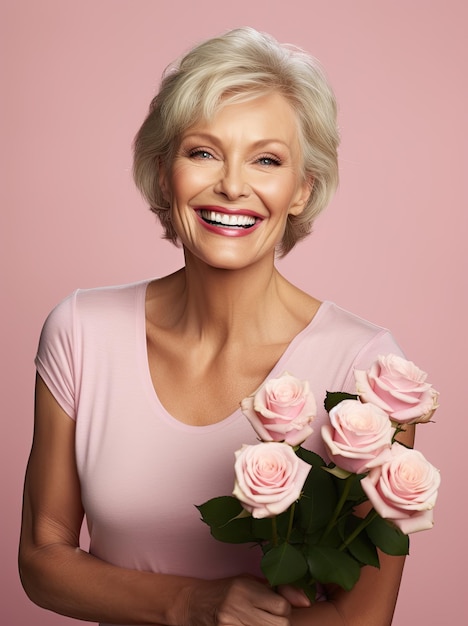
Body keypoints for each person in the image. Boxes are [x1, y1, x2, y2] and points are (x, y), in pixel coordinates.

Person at [19, 27, 414, 626]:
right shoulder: (80, 332)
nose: (232, 184)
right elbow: (41, 560)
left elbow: (362, 617)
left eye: (267, 159)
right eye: (203, 152)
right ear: (162, 170)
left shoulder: (370, 374)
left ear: (302, 188)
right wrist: (190, 603)